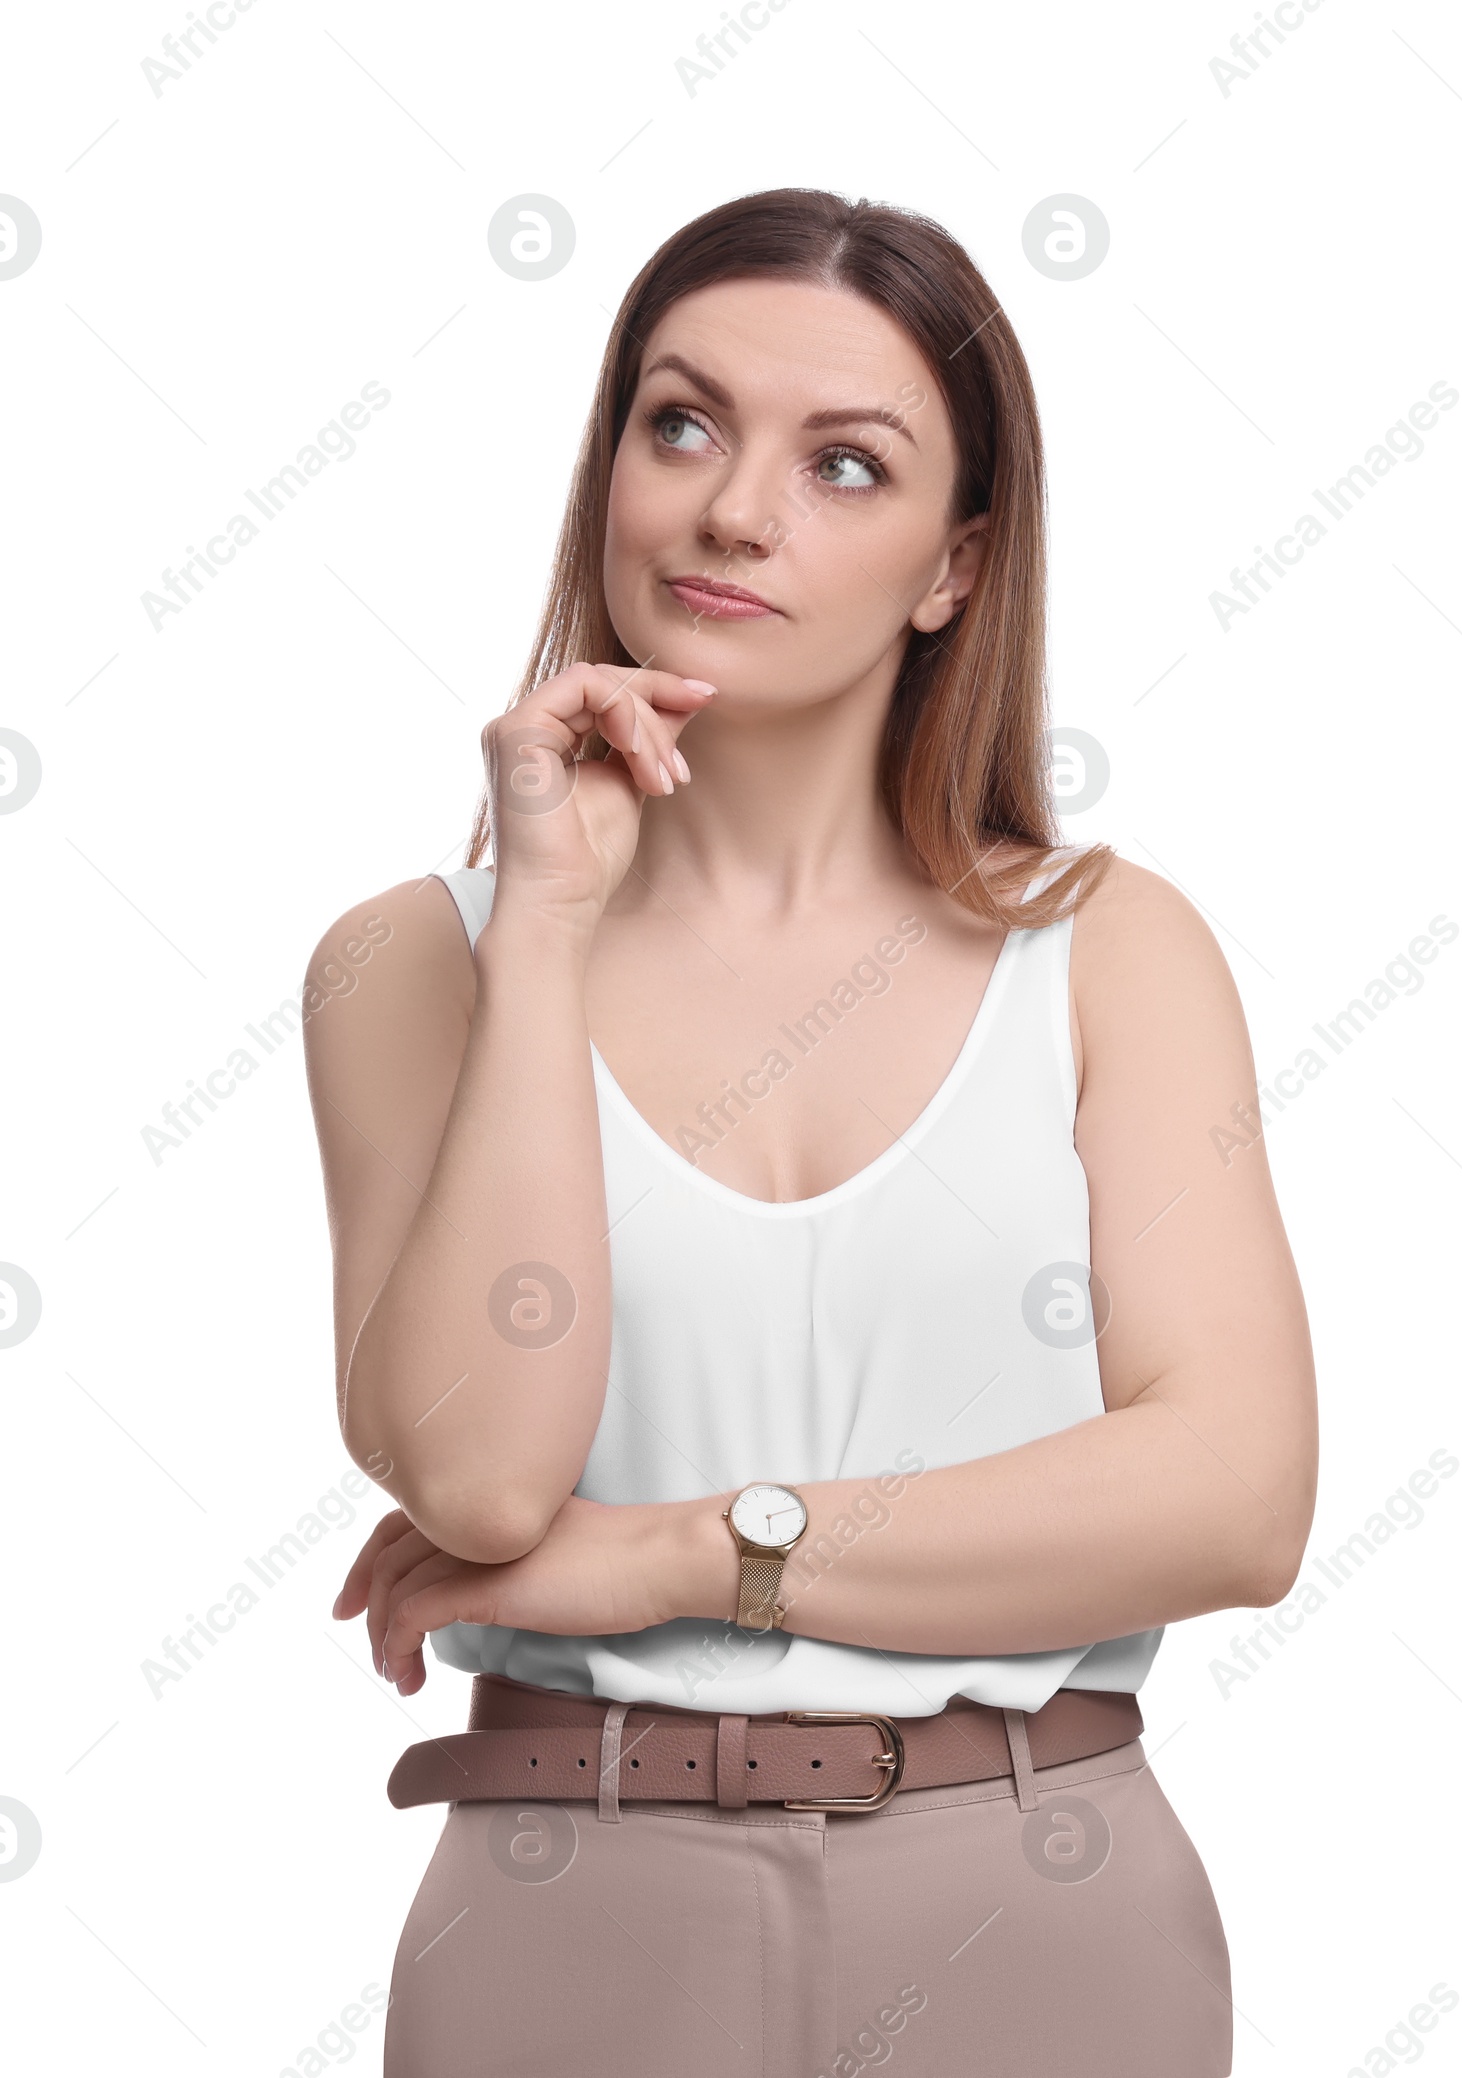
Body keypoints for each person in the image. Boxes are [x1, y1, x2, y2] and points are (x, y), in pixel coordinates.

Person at [305, 186, 1317, 2078]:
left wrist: (694, 1554)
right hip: (564, 1901)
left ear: (955, 566)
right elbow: (482, 1482)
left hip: (1039, 1888)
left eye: (845, 464)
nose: (732, 509)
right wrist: (542, 932)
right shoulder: (408, 965)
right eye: (680, 423)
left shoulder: (1108, 947)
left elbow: (1235, 1497)